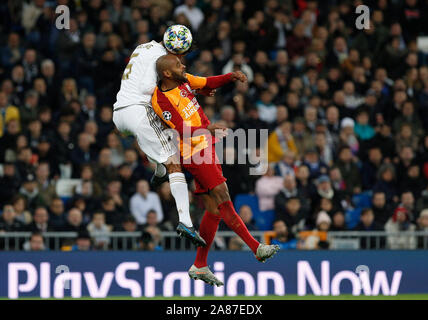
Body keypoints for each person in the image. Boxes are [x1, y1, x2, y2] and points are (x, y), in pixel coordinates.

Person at [152, 54, 280, 286]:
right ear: (167, 74)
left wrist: (230, 77)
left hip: (205, 147)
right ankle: (256, 247)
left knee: (214, 209)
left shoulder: (184, 82)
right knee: (223, 195)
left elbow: (207, 82)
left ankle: (200, 265)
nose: (184, 66)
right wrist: (208, 127)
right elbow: (181, 129)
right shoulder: (160, 100)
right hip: (194, 152)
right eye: (178, 65)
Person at [112, 25, 207, 247]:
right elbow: (147, 87)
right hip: (138, 109)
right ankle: (186, 222)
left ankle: (159, 169)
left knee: (166, 143)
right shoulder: (163, 59)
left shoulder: (144, 47)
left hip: (119, 112)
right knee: (175, 163)